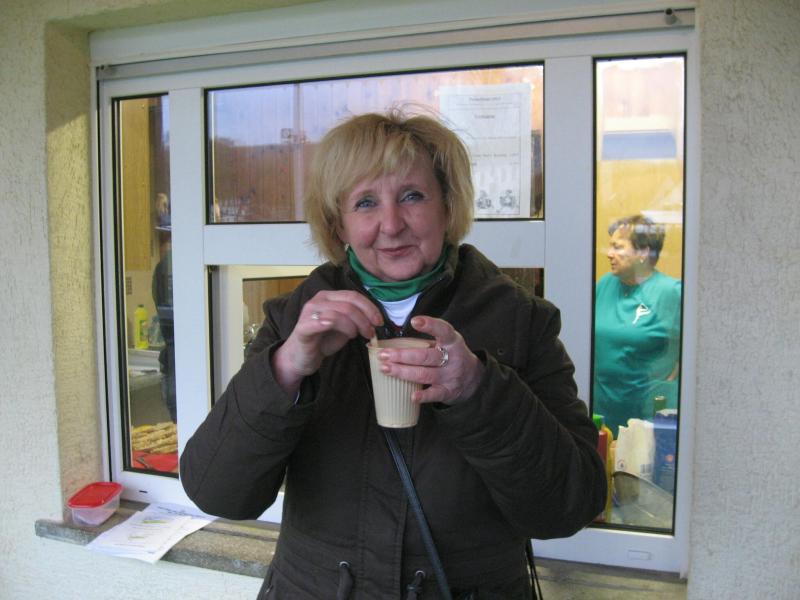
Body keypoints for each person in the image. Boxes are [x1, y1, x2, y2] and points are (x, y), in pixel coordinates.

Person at [180, 111, 606, 599]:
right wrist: (286, 369)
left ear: (447, 205)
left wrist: (479, 389)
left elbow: (569, 507)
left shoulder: (520, 320)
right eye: (365, 202)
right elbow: (217, 492)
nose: (391, 224)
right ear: (338, 224)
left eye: (412, 196)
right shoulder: (295, 318)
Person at [592, 215, 682, 438]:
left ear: (643, 253)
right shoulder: (604, 285)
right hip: (602, 412)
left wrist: (670, 379)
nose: (609, 253)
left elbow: (693, 350)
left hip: (647, 417)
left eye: (617, 247)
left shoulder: (670, 292)